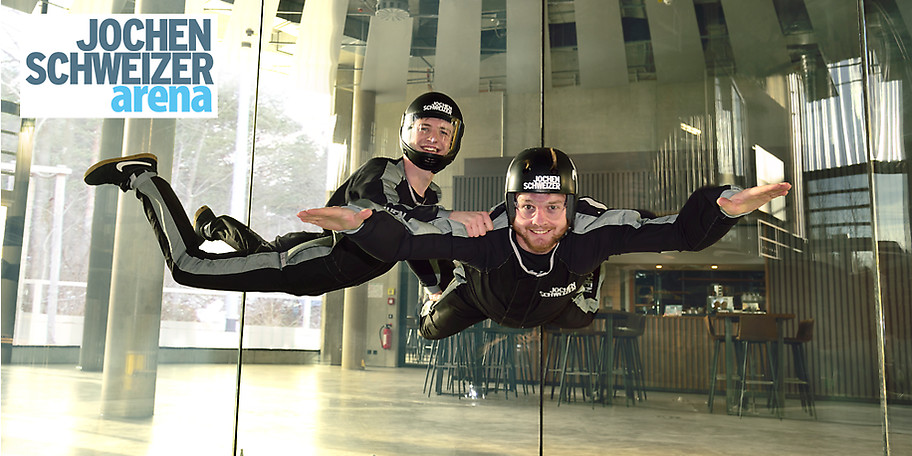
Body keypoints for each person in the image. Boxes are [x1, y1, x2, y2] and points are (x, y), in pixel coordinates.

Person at [298, 147, 792, 339]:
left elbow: (679, 232)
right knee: (429, 331)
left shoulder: (593, 231)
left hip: (559, 300)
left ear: (571, 208)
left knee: (583, 319)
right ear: (511, 205)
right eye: (527, 207)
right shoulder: (488, 234)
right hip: (482, 296)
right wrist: (361, 224)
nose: (538, 221)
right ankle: (441, 293)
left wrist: (725, 207)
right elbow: (409, 239)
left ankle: (587, 284)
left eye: (553, 207)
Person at [83, 92, 493, 296]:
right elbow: (380, 219)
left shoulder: (429, 197)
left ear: (454, 142)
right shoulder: (383, 171)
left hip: (307, 264)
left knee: (256, 249)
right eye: (425, 128)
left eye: (444, 132)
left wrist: (436, 287)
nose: (434, 138)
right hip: (295, 264)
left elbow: (418, 246)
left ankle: (211, 225)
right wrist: (448, 218)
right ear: (407, 131)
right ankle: (143, 178)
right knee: (189, 267)